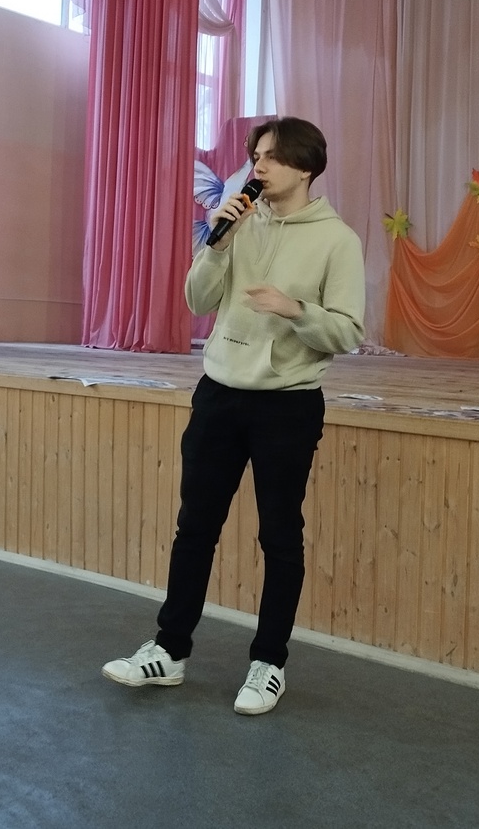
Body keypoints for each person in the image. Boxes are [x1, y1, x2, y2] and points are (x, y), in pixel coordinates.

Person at [102, 117, 366, 715]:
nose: (257, 167)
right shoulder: (236, 223)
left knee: (279, 535)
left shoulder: (337, 241)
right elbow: (197, 299)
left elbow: (348, 331)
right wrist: (219, 244)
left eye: (271, 157)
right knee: (194, 527)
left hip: (288, 403)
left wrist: (295, 309)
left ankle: (268, 664)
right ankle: (169, 650)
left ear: (306, 167)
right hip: (218, 393)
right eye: (255, 156)